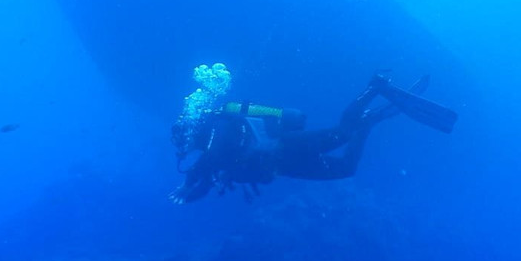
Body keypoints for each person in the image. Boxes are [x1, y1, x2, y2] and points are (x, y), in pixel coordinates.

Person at [169, 73, 457, 205]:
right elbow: (205, 179)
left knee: (342, 133)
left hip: (286, 145)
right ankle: (368, 122)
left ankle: (375, 88)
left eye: (185, 141)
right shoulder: (207, 152)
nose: (187, 147)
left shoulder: (217, 130)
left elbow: (211, 161)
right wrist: (188, 188)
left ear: (192, 129)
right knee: (346, 168)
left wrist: (190, 182)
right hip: (282, 166)